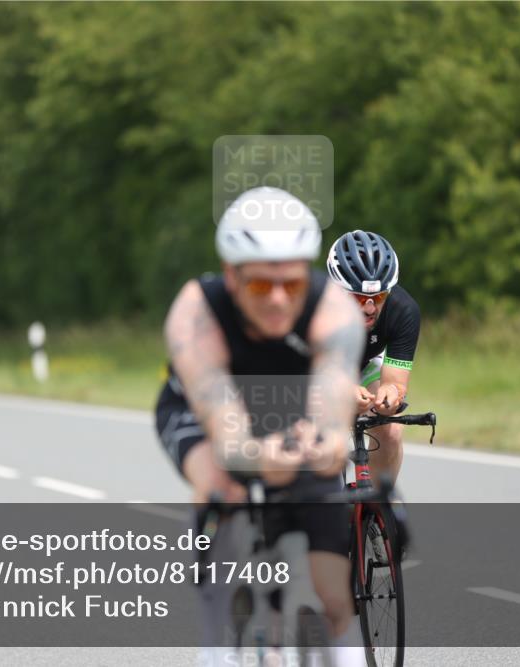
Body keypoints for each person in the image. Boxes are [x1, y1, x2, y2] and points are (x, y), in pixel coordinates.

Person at [155, 187, 366, 663]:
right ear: (231, 276)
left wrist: (328, 442)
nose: (276, 299)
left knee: (335, 596)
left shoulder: (335, 310)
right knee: (224, 485)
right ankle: (218, 645)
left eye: (290, 285)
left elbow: (331, 405)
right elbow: (228, 435)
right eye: (258, 286)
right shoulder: (195, 313)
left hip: (292, 409)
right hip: (203, 411)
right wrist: (255, 459)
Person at [326, 230, 421, 488]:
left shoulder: (404, 311)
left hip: (366, 364)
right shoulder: (317, 307)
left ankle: (378, 511)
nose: (370, 308)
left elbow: (395, 383)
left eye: (378, 297)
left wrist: (390, 397)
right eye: (358, 298)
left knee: (390, 429)